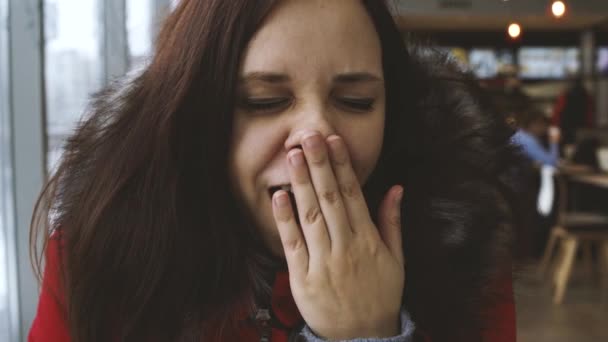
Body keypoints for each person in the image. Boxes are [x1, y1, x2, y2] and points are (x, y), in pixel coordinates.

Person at [29, 1, 522, 341]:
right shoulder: (100, 252)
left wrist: (366, 333)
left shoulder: (461, 252)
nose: (314, 137)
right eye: (264, 102)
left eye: (356, 101)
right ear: (198, 118)